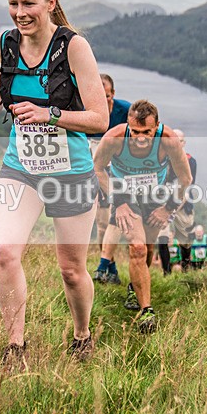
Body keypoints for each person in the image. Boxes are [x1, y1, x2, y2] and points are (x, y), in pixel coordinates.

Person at [0, 0, 108, 374]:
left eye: (29, 3)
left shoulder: (74, 48)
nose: (20, 12)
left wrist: (49, 114)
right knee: (3, 252)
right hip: (21, 168)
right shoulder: (4, 43)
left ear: (50, 2)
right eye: (13, 3)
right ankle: (15, 348)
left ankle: (82, 335)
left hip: (70, 172)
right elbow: (5, 77)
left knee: (71, 270)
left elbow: (99, 119)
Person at [93, 100, 192, 334]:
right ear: (128, 124)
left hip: (155, 196)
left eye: (146, 132)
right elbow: (97, 168)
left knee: (147, 248)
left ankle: (134, 287)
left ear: (156, 126)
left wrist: (168, 208)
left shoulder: (168, 140)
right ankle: (147, 310)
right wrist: (117, 201)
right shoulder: (115, 137)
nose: (140, 138)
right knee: (137, 248)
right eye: (135, 131)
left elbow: (185, 179)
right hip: (124, 195)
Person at [90, 73, 130, 284]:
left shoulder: (126, 110)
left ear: (113, 94)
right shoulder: (85, 110)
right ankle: (110, 268)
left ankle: (107, 266)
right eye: (98, 94)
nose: (102, 100)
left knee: (118, 219)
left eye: (106, 96)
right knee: (102, 223)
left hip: (119, 170)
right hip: (94, 171)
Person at [157, 128, 197, 274]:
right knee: (162, 238)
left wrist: (172, 210)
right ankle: (166, 273)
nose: (175, 144)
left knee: (185, 240)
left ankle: (186, 270)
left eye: (179, 141)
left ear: (184, 143)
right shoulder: (161, 159)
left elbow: (187, 188)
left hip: (182, 204)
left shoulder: (190, 161)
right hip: (163, 202)